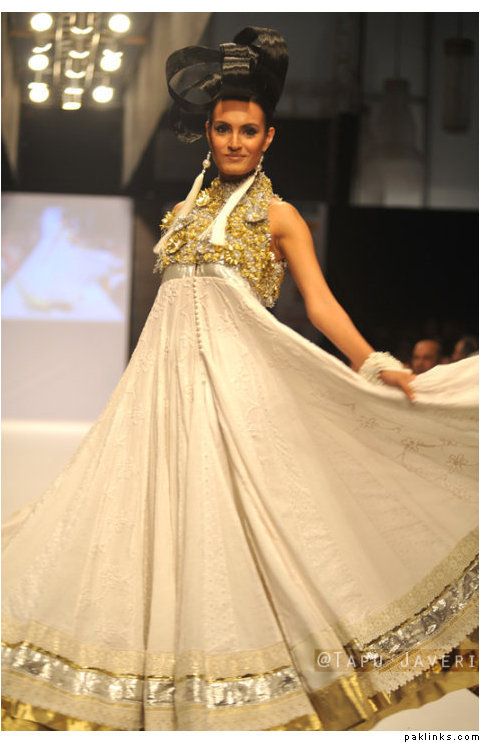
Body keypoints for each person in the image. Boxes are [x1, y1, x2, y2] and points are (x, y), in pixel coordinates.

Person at [2, 27, 478, 732]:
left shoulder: (280, 217)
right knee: (148, 527)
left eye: (247, 130)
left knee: (263, 532)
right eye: (223, 128)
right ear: (208, 134)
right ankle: (161, 680)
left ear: (268, 138)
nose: (233, 140)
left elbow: (320, 303)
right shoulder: (180, 213)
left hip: (237, 396)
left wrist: (372, 361)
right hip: (162, 398)